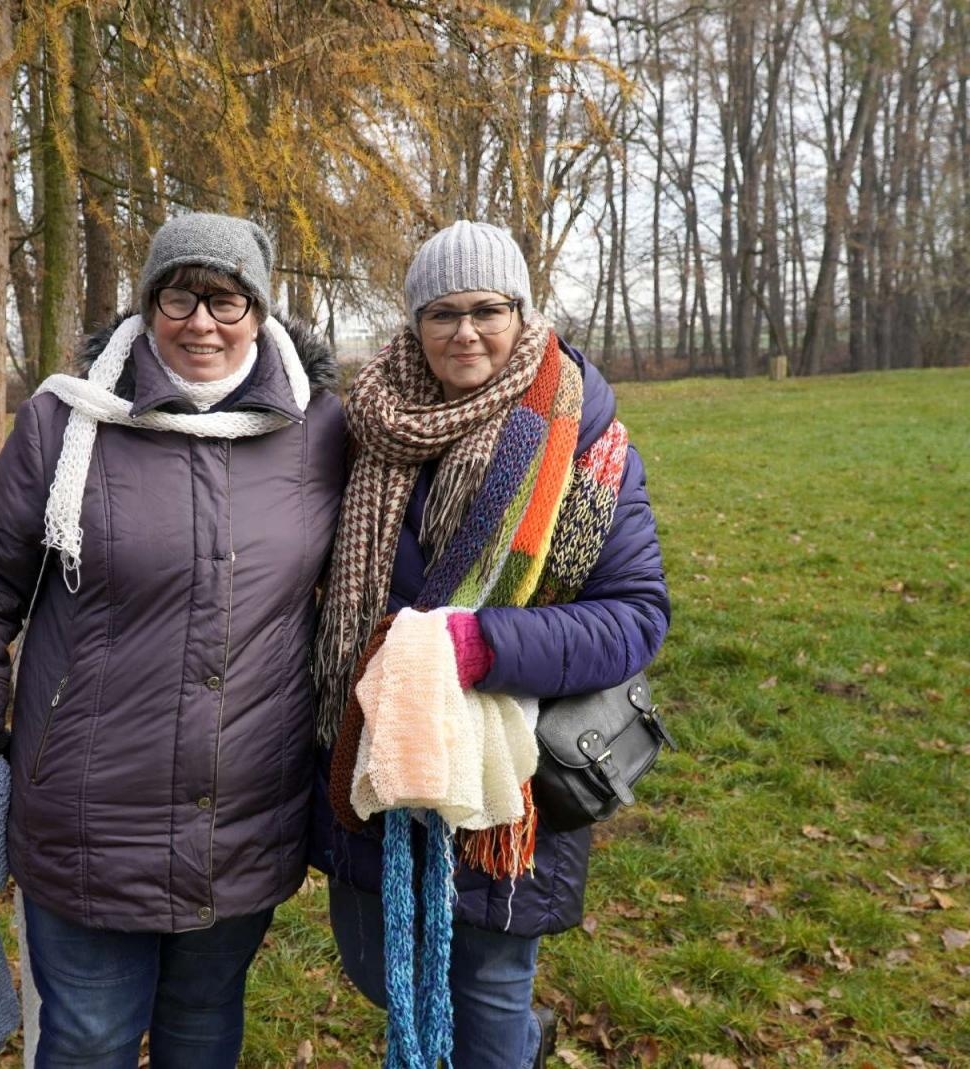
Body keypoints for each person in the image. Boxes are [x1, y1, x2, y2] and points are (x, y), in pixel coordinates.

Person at [0, 212, 346, 1068]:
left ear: (260, 313)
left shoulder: (319, 431)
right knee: (89, 1038)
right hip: (90, 808)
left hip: (246, 806)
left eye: (226, 300)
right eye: (179, 295)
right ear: (148, 305)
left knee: (203, 1022)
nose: (202, 322)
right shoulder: (66, 423)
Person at [310, 221, 670, 1069]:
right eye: (443, 313)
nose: (465, 331)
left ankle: (512, 1046)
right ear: (414, 324)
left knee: (486, 997)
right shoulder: (363, 429)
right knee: (378, 970)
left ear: (522, 311)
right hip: (376, 757)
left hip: (508, 780)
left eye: (487, 309)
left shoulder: (583, 444)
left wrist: (479, 645)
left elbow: (635, 615)